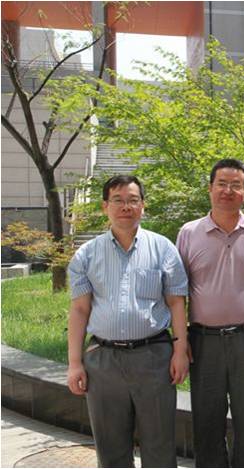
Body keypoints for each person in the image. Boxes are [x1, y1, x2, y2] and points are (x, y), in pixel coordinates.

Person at [66, 175, 189, 467]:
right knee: (110, 448)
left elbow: (176, 302)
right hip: (103, 361)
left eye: (133, 200)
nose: (126, 207)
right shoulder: (86, 254)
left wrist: (180, 352)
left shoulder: (163, 248)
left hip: (154, 357)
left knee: (160, 445)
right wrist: (74, 363)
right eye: (118, 200)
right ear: (105, 206)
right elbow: (80, 310)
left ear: (143, 205)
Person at [176, 159, 244, 467]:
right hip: (203, 341)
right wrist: (180, 340)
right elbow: (177, 293)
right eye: (221, 184)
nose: (227, 191)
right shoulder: (189, 232)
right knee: (207, 421)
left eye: (236, 185)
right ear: (210, 188)